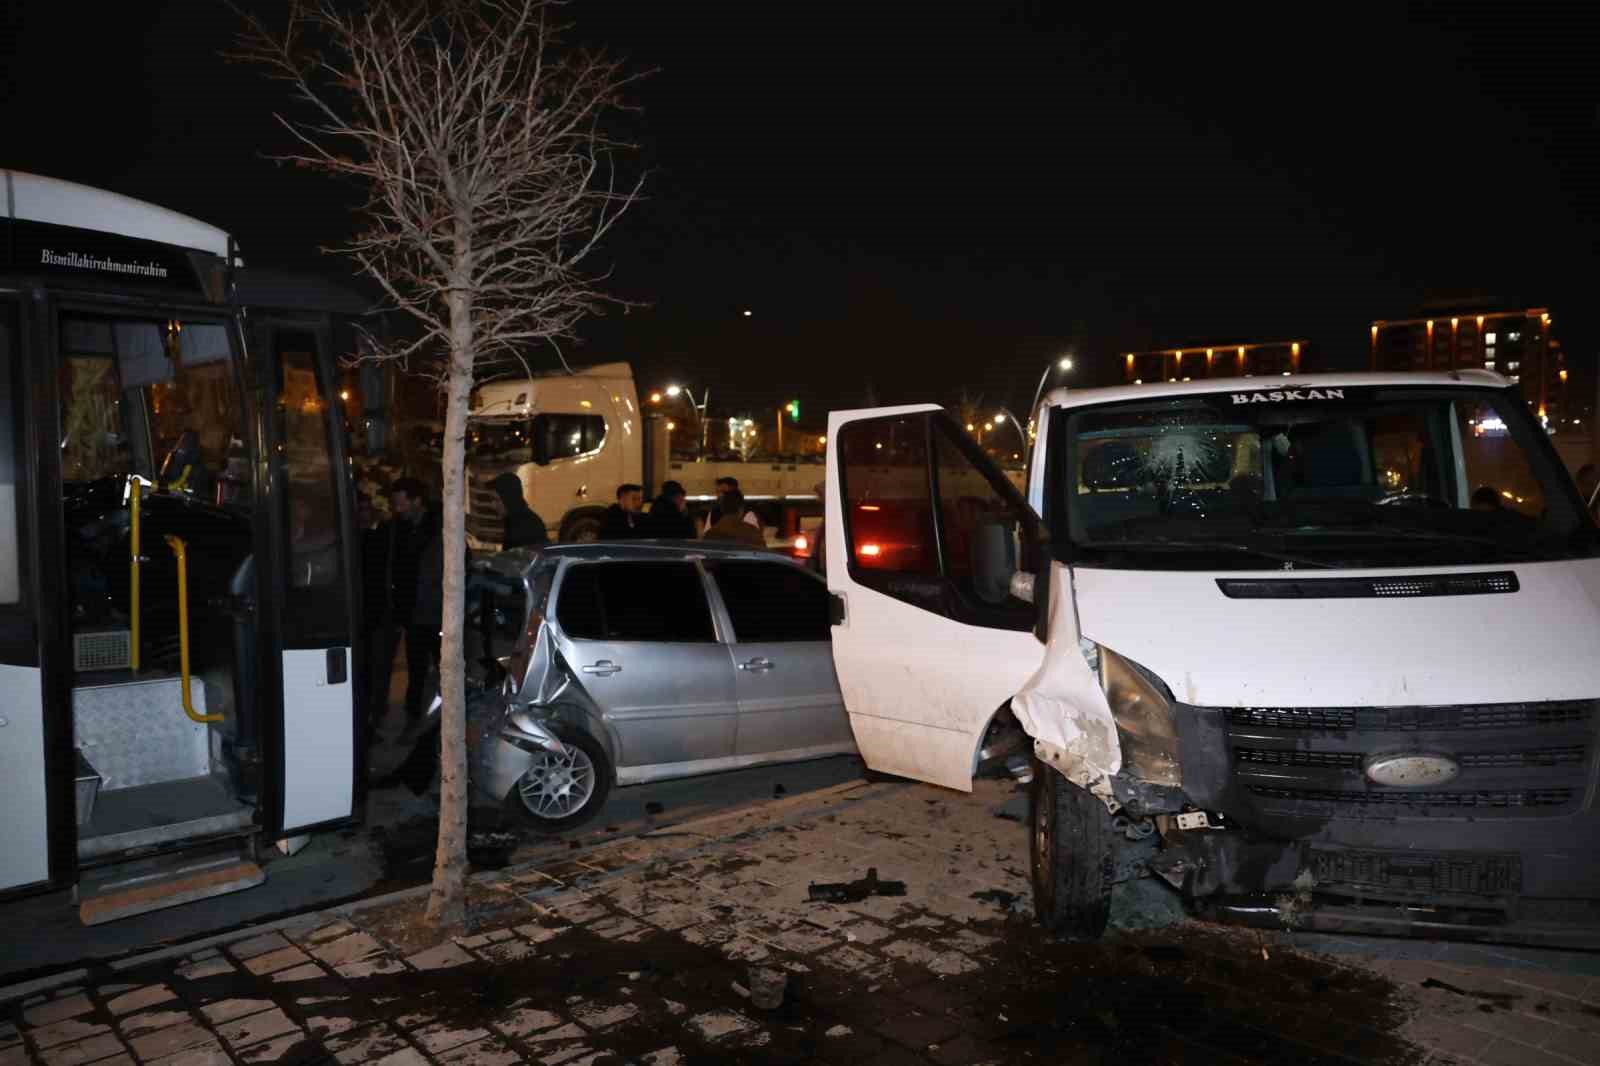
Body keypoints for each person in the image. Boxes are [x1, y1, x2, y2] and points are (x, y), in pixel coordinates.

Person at [372, 478, 442, 742]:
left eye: (401, 503)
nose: (397, 508)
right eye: (395, 504)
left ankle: (441, 724)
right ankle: (415, 723)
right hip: (413, 615)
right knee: (416, 672)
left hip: (435, 614)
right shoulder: (398, 530)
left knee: (443, 671)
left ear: (416, 501)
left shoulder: (437, 528)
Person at [492, 473, 549, 548]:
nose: (493, 505)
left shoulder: (525, 528)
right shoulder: (514, 520)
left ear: (508, 499)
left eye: (497, 500)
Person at [703, 489, 768, 548]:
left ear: (722, 509)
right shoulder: (753, 534)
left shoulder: (709, 535)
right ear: (741, 509)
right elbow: (764, 556)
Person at [159, 429, 210, 498]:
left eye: (184, 441)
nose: (179, 444)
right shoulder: (174, 456)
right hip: (172, 494)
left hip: (186, 498)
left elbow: (188, 485)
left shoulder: (195, 463)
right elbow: (164, 475)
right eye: (180, 440)